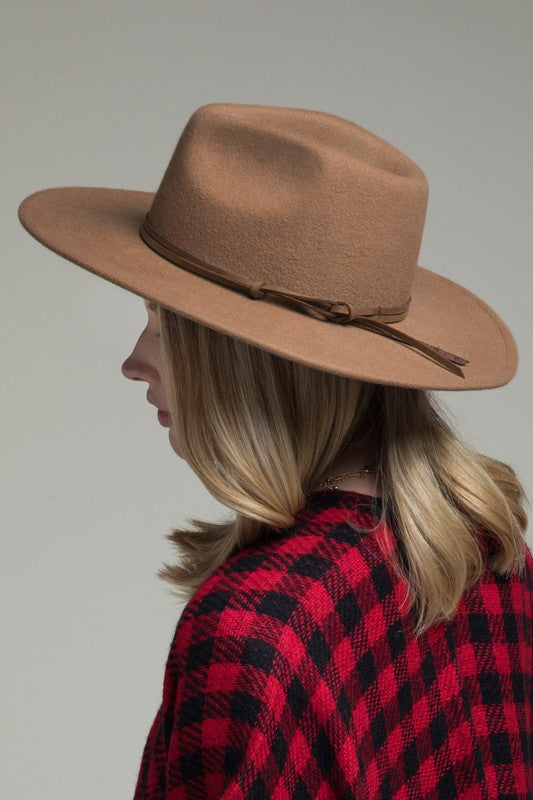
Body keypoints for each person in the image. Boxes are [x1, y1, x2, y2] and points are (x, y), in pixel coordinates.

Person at [18, 102, 532, 799]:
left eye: (163, 325)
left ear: (243, 361)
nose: (134, 364)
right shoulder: (486, 551)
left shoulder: (252, 630)